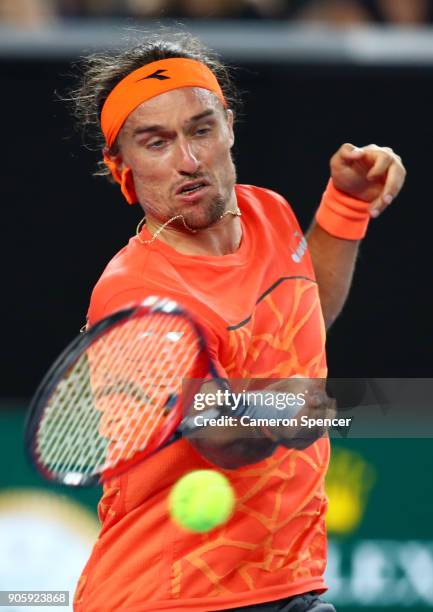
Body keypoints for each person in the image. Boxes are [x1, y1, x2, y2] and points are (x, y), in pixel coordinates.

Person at [70, 30, 406, 611]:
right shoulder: (135, 291)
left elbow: (302, 316)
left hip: (285, 583)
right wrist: (280, 408)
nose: (189, 160)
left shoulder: (267, 210)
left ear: (228, 125)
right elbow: (215, 433)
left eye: (201, 129)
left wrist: (347, 205)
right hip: (170, 599)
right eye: (157, 142)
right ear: (121, 167)